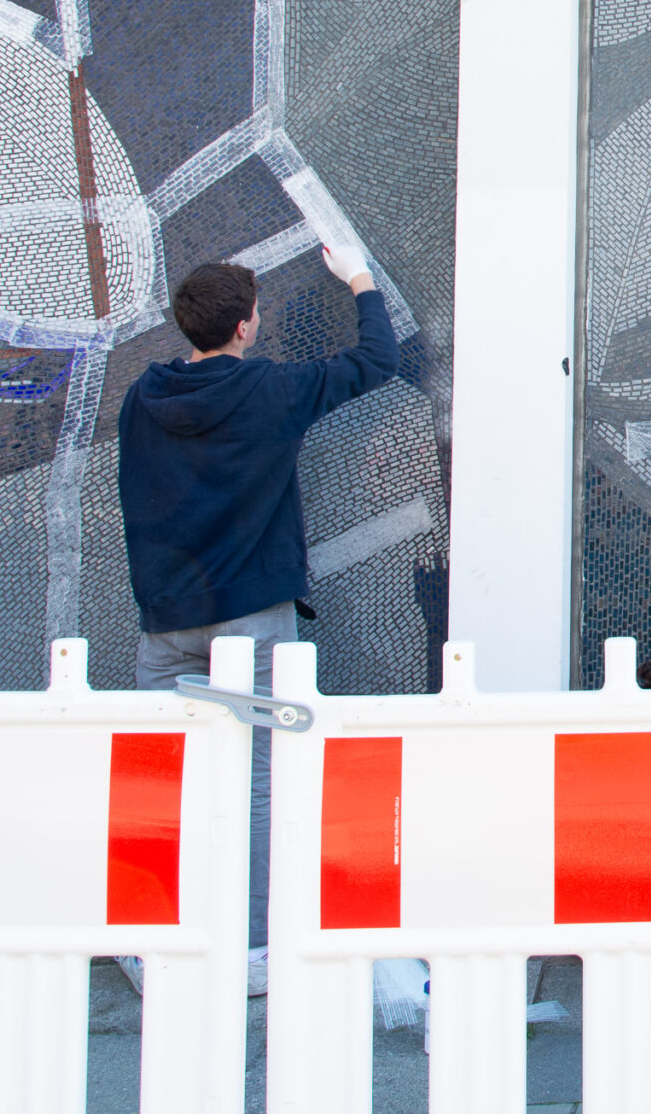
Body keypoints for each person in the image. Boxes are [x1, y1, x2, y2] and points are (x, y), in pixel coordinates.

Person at [119, 245, 394, 994]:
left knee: (167, 782)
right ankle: (255, 944)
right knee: (263, 784)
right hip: (250, 619)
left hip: (166, 622)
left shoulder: (144, 397)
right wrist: (359, 279)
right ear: (244, 326)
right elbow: (376, 358)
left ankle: (157, 938)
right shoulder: (271, 390)